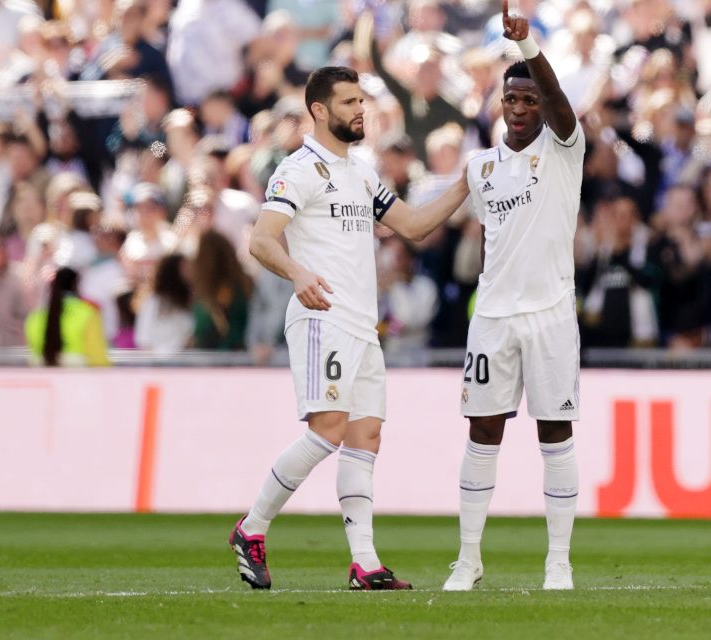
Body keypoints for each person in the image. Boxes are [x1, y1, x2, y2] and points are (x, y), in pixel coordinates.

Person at [230, 65, 470, 591]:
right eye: (348, 102)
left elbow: (412, 227)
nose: (360, 110)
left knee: (365, 436)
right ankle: (252, 528)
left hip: (363, 325)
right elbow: (262, 240)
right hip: (323, 317)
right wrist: (297, 273)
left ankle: (364, 563)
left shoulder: (361, 172)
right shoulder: (298, 171)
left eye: (361, 101)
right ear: (319, 110)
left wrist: (465, 186)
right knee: (328, 432)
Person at [442, 1, 585, 592]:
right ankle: (469, 560)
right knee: (483, 432)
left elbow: (560, 104)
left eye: (530, 100)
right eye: (512, 99)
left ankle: (558, 561)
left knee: (555, 432)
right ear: (499, 105)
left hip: (551, 315)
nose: (522, 108)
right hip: (493, 320)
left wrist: (527, 48)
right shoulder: (480, 168)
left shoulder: (563, 149)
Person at [24, 267, 109, 367]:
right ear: (76, 285)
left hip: (43, 379)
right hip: (80, 379)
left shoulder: (35, 317)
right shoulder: (88, 314)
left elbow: (33, 357)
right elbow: (98, 359)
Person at [135, 254, 195, 356]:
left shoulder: (193, 301)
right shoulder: (154, 303)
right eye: (185, 269)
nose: (190, 273)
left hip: (189, 364)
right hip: (163, 365)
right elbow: (144, 339)